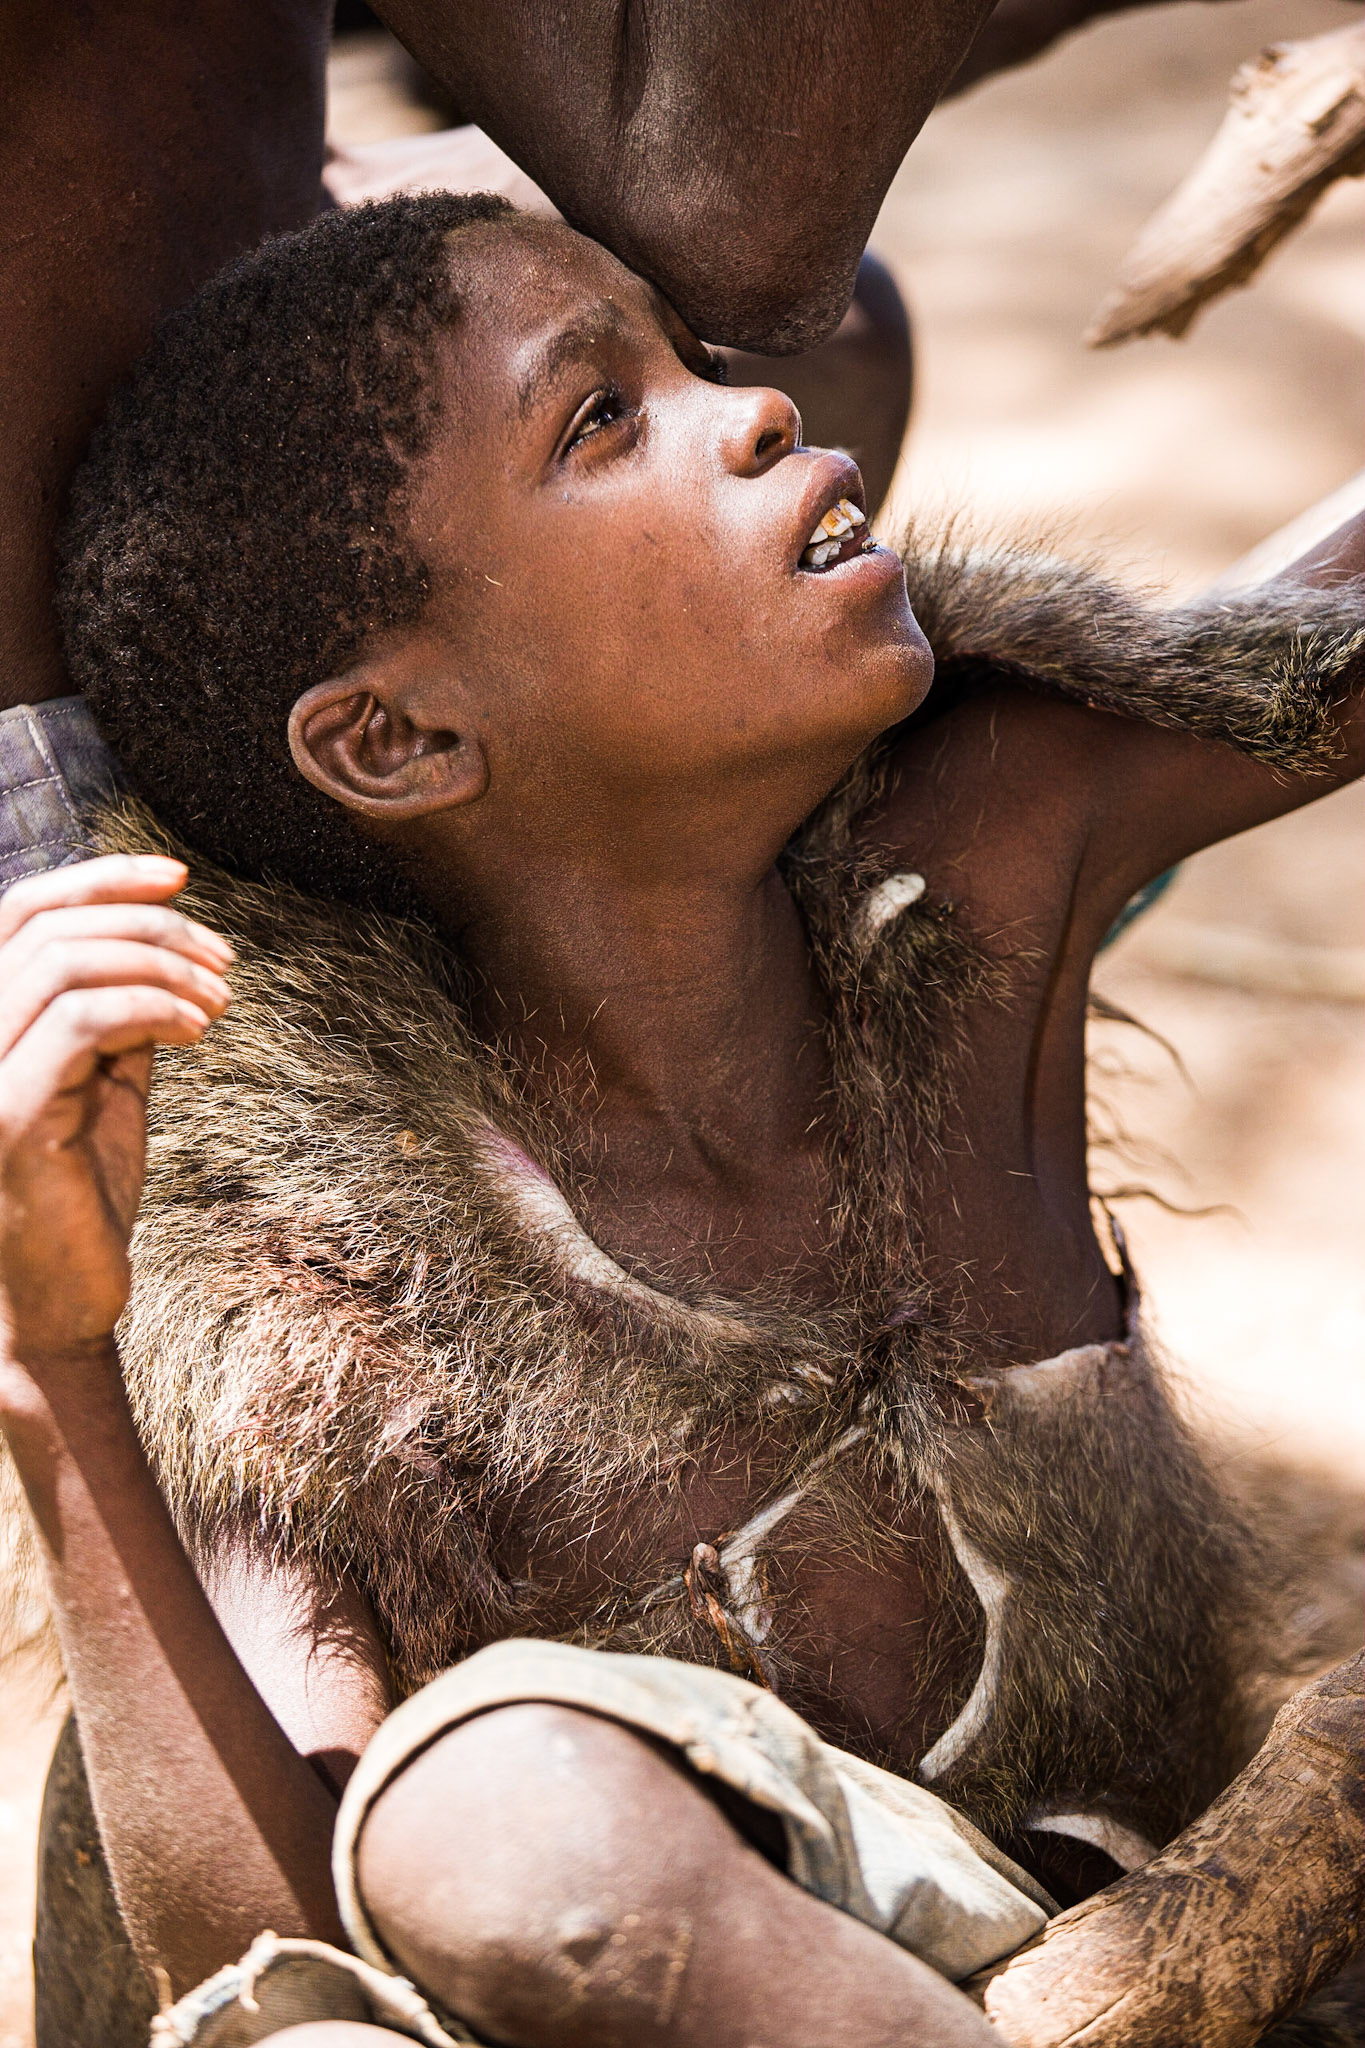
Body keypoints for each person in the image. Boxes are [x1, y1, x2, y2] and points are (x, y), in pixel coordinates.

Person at [1, 195, 1360, 2048]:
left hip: (1166, 1948)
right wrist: (55, 1372)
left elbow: (1326, 643)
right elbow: (262, 1972)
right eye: (600, 419)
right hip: (597, 1974)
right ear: (395, 740)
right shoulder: (312, 1261)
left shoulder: (978, 850)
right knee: (492, 1825)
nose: (755, 413)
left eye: (694, 359)